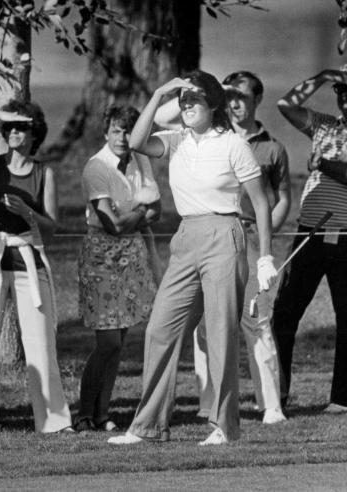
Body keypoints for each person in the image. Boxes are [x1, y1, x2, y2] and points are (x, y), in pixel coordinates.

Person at [107, 70, 275, 446]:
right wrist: (161, 92)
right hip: (186, 238)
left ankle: (224, 426)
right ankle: (148, 426)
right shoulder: (176, 140)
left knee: (219, 333)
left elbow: (261, 204)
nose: (186, 107)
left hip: (224, 235)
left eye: (194, 100)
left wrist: (264, 257)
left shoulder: (233, 144)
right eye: (182, 102)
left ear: (213, 104)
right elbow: (136, 141)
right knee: (160, 328)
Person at [272, 63, 347, 414]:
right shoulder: (324, 125)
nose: (346, 96)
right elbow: (284, 105)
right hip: (310, 231)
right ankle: (275, 395)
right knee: (284, 314)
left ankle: (342, 400)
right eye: (341, 90)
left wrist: (321, 164)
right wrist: (323, 76)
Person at [178, 71, 291, 425]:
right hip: (211, 240)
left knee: (256, 321)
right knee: (205, 326)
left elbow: (281, 197)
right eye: (229, 96)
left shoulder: (272, 147)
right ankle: (208, 401)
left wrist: (265, 236)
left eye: (242, 96)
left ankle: (270, 405)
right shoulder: (205, 137)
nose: (235, 102)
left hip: (249, 242)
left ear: (257, 99)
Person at [0, 101, 72, 433]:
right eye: (10, 128)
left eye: (22, 127)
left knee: (40, 342)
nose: (15, 132)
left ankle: (53, 421)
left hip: (27, 262)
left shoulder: (43, 173)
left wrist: (27, 213)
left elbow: (51, 227)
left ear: (35, 132)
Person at [74, 105, 159, 432]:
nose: (123, 137)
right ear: (106, 131)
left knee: (119, 343)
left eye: (128, 130)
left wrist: (133, 216)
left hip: (132, 256)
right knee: (107, 342)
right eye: (117, 130)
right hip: (101, 257)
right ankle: (84, 412)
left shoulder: (141, 160)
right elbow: (113, 225)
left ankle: (102, 413)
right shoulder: (97, 168)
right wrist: (139, 212)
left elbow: (159, 210)